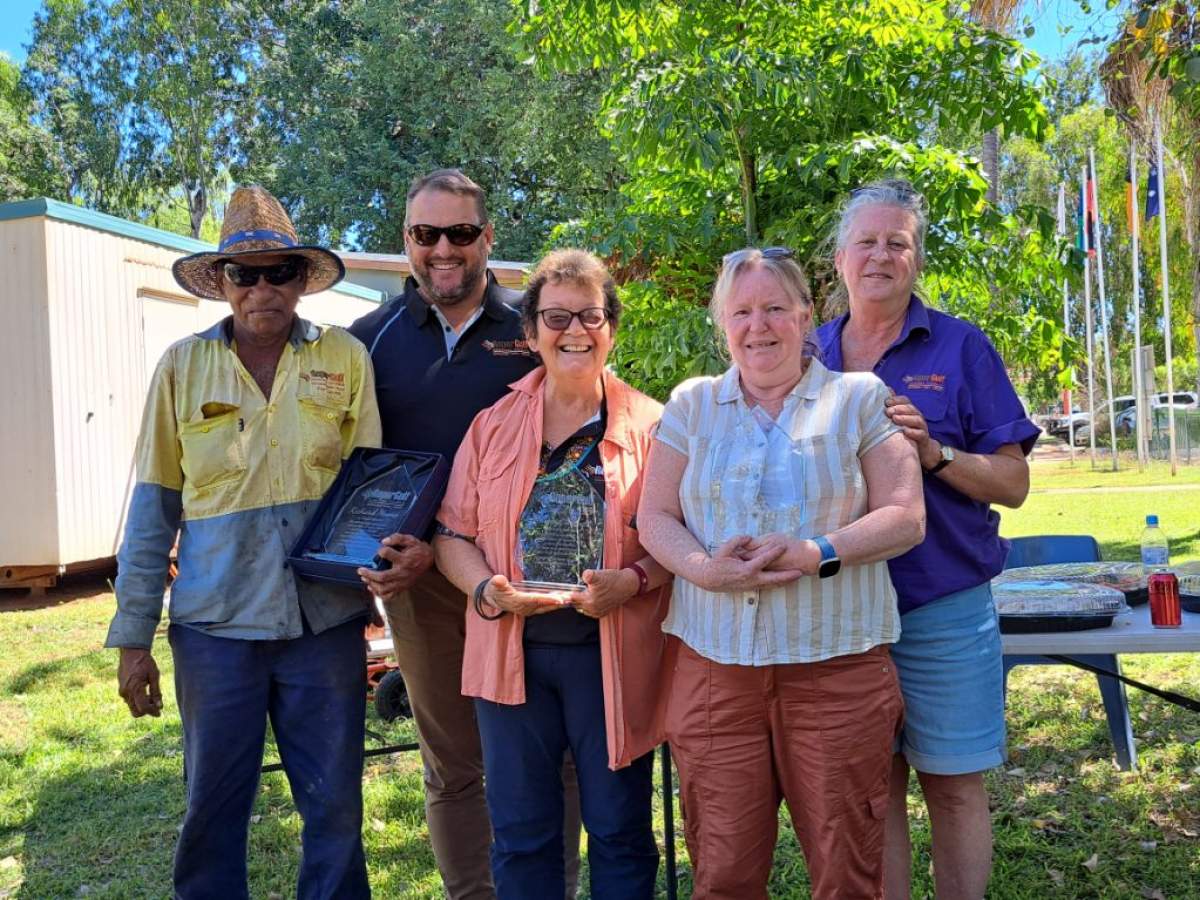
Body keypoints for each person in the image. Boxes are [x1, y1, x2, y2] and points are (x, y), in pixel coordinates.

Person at [106, 185, 381, 899]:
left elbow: (374, 488)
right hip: (214, 629)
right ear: (223, 285)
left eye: (279, 271)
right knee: (213, 807)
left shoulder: (345, 358)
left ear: (300, 280)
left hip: (323, 624)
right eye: (244, 274)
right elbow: (152, 506)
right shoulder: (180, 367)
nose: (262, 287)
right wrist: (134, 637)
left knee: (334, 807)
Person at [638, 247, 925, 899]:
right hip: (715, 670)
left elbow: (906, 517)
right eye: (741, 311)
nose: (757, 326)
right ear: (722, 323)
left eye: (774, 308)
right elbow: (653, 517)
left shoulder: (859, 398)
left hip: (837, 667)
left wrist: (814, 553)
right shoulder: (692, 405)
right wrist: (703, 570)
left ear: (804, 317)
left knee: (848, 869)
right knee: (724, 870)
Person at [347, 169, 579, 899]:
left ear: (488, 239)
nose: (443, 249)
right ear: (406, 242)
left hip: (527, 584)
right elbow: (353, 464)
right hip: (423, 585)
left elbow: (582, 430)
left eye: (460, 233)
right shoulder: (367, 341)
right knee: (452, 764)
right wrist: (385, 550)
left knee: (554, 758)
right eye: (425, 234)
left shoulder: (535, 329)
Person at [815, 179, 1040, 900]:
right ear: (840, 258)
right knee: (873, 795)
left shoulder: (961, 346)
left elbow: (1013, 484)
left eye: (898, 243)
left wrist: (937, 453)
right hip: (841, 607)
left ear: (915, 260)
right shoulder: (806, 354)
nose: (881, 254)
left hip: (942, 604)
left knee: (952, 786)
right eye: (867, 241)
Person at [433, 248, 670, 899]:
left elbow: (679, 542)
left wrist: (636, 581)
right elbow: (453, 534)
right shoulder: (491, 426)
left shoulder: (654, 427)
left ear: (612, 328)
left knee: (620, 831)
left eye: (590, 315)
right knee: (520, 834)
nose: (574, 331)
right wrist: (485, 588)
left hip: (611, 657)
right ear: (532, 331)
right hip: (512, 654)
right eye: (557, 316)